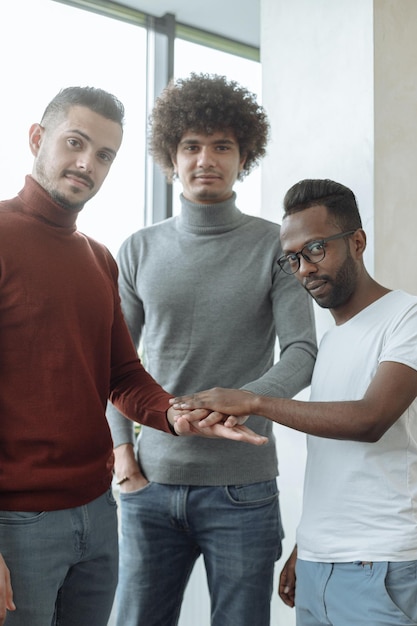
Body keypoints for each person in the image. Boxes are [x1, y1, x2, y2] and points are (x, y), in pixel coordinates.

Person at [0, 86, 265, 626]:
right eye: (75, 143)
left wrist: (174, 413)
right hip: (16, 523)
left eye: (104, 155)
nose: (86, 164)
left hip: (98, 517)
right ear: (36, 138)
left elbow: (122, 373)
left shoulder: (98, 258)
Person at [106, 73, 317, 626]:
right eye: (192, 145)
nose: (206, 158)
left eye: (222, 145)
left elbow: (301, 351)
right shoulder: (138, 249)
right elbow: (113, 363)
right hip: (149, 486)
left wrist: (243, 400)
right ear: (171, 157)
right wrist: (123, 457)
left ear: (244, 156)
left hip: (241, 490)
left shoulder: (276, 245)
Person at [172, 178, 417, 626]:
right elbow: (338, 466)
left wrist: (255, 401)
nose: (304, 268)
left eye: (317, 249)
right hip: (320, 566)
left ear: (357, 242)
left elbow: (369, 420)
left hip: (383, 564)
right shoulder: (333, 341)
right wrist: (307, 547)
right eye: (293, 258)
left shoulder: (406, 318)